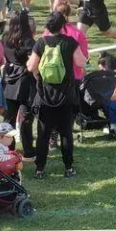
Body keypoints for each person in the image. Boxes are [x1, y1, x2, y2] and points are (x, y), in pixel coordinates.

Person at [26, 12, 87, 179]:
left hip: (45, 94)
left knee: (43, 133)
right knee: (66, 132)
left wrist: (38, 73)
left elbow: (31, 67)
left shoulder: (41, 43)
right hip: (66, 94)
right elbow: (81, 62)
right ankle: (68, 168)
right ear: (63, 26)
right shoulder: (70, 42)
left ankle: (40, 169)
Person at [2, 11, 36, 160]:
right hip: (25, 80)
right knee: (25, 117)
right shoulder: (29, 41)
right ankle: (28, 150)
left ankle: (8, 149)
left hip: (9, 78)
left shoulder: (5, 39)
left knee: (8, 118)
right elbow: (32, 63)